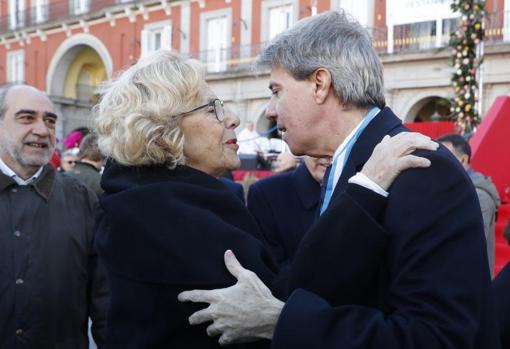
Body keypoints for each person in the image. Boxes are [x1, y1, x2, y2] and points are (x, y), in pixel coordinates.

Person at [178, 11, 497, 349]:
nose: (271, 110)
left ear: (320, 84)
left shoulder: (418, 166)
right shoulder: (354, 164)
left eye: (277, 90)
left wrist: (281, 321)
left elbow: (436, 337)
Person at [94, 50, 435, 349]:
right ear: (165, 131)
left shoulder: (146, 200)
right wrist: (366, 188)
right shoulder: (163, 215)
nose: (232, 119)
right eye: (213, 109)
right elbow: (285, 296)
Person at [0, 84, 108, 349]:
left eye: (49, 120)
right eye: (26, 118)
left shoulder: (83, 199)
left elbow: (106, 301)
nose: (41, 130)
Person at [247, 156, 330, 267]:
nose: (329, 156)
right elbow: (270, 267)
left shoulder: (357, 192)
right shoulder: (267, 193)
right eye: (319, 143)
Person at [438, 133, 501, 276]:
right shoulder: (452, 188)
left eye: (444, 155)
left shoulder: (479, 195)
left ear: (463, 159)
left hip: (469, 282)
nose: (438, 160)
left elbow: (470, 246)